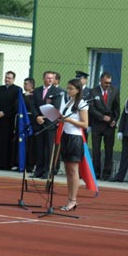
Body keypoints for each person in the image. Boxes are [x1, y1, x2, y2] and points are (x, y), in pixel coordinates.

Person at [57, 78, 89, 211]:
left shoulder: (81, 103)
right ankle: (69, 198)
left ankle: (73, 200)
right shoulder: (68, 101)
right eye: (68, 88)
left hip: (75, 138)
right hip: (65, 136)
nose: (68, 90)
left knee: (73, 171)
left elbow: (85, 124)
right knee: (68, 170)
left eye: (71, 89)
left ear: (78, 90)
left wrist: (70, 120)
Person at [30, 71, 62, 178]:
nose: (50, 80)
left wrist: (44, 118)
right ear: (43, 78)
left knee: (49, 149)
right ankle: (38, 170)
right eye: (48, 78)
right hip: (38, 123)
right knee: (39, 148)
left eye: (52, 78)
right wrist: (37, 117)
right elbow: (33, 105)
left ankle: (48, 171)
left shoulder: (57, 92)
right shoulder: (37, 91)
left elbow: (56, 107)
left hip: (49, 124)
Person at [89, 71, 120, 181]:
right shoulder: (93, 91)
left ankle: (106, 174)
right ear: (100, 81)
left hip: (109, 126)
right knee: (96, 150)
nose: (108, 85)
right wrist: (102, 117)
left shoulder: (114, 90)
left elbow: (117, 108)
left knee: (109, 150)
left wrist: (115, 120)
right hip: (97, 124)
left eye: (109, 83)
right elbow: (91, 108)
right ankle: (96, 173)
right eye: (106, 83)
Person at [0, 71, 21, 170]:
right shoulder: (0, 89)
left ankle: (8, 164)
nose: (7, 79)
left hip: (9, 119)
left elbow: (15, 105)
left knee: (8, 141)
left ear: (13, 79)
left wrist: (4, 112)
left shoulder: (17, 90)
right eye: (6, 77)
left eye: (9, 78)